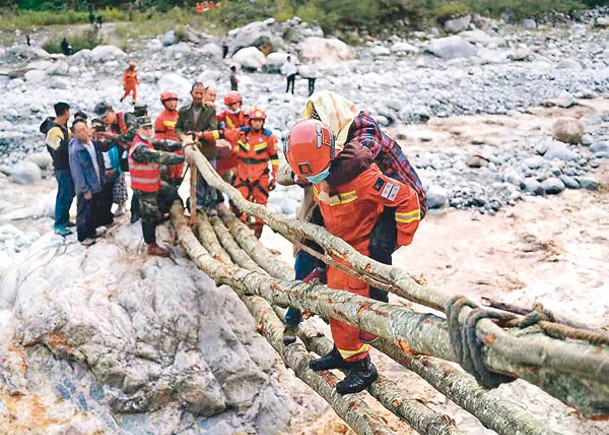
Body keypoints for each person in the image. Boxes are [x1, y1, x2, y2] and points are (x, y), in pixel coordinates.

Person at [284, 118, 422, 394]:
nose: (311, 182)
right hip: (338, 252)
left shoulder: (364, 177)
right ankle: (344, 352)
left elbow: (407, 199)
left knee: (352, 309)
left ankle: (362, 368)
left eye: (313, 176)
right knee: (337, 307)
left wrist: (396, 240)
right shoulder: (320, 172)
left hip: (359, 253)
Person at [129, 116, 184, 257]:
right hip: (144, 188)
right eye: (144, 129)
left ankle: (165, 215)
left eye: (149, 128)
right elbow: (159, 156)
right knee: (149, 216)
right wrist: (182, 158)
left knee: (171, 193)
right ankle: (151, 245)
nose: (148, 131)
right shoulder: (140, 148)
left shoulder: (147, 142)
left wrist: (181, 145)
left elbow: (163, 144)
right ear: (137, 130)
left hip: (153, 183)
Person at [232, 106, 278, 238]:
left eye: (260, 120)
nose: (257, 123)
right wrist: (201, 135)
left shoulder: (269, 137)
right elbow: (223, 134)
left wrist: (274, 178)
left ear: (263, 122)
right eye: (254, 120)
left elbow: (274, 159)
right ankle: (241, 232)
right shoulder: (242, 133)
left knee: (261, 207)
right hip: (243, 174)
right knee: (238, 202)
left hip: (261, 176)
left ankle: (257, 236)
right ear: (250, 121)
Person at [175, 82, 220, 213]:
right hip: (193, 151)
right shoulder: (184, 111)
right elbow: (177, 127)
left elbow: (213, 128)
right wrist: (183, 137)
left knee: (211, 178)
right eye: (197, 93)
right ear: (192, 94)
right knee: (197, 178)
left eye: (201, 93)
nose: (199, 96)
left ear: (204, 95)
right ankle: (199, 204)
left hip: (208, 150)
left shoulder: (210, 111)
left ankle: (212, 206)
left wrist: (198, 136)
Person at [68, 120, 106, 246]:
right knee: (84, 211)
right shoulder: (76, 150)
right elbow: (77, 172)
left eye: (84, 129)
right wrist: (85, 190)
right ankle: (83, 236)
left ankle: (92, 231)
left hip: (96, 182)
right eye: (79, 131)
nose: (83, 132)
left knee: (94, 209)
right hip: (86, 186)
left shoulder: (92, 144)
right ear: (74, 134)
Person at [40, 102, 75, 237]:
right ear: (66, 112)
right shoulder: (54, 131)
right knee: (63, 194)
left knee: (69, 193)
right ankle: (59, 223)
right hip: (62, 167)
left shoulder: (63, 127)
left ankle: (65, 219)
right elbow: (57, 149)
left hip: (67, 166)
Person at [154, 91, 183, 187]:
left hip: (181, 153)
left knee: (178, 179)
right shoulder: (161, 118)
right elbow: (159, 139)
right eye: (169, 101)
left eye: (174, 101)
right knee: (168, 180)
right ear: (164, 103)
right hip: (169, 155)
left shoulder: (181, 116)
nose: (172, 103)